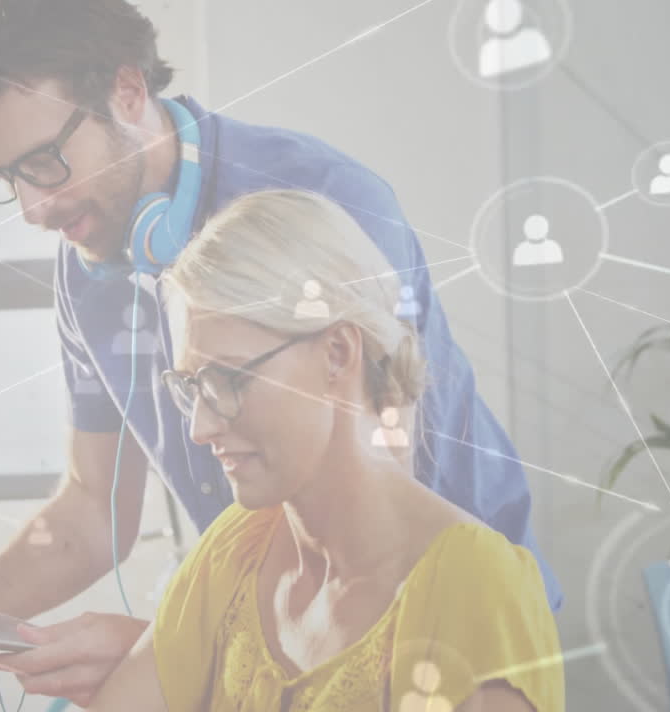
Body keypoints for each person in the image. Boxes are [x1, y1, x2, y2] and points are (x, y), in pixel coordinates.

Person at [0, 0, 561, 704]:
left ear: (128, 90)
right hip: (263, 618)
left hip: (427, 620)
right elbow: (92, 505)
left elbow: (365, 490)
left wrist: (175, 644)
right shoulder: (91, 272)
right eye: (8, 176)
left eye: (46, 162)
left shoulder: (322, 200)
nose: (33, 207)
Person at [72, 189, 563, 711]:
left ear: (337, 354)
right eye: (192, 386)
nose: (200, 427)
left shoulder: (473, 587)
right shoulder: (234, 552)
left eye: (228, 379)